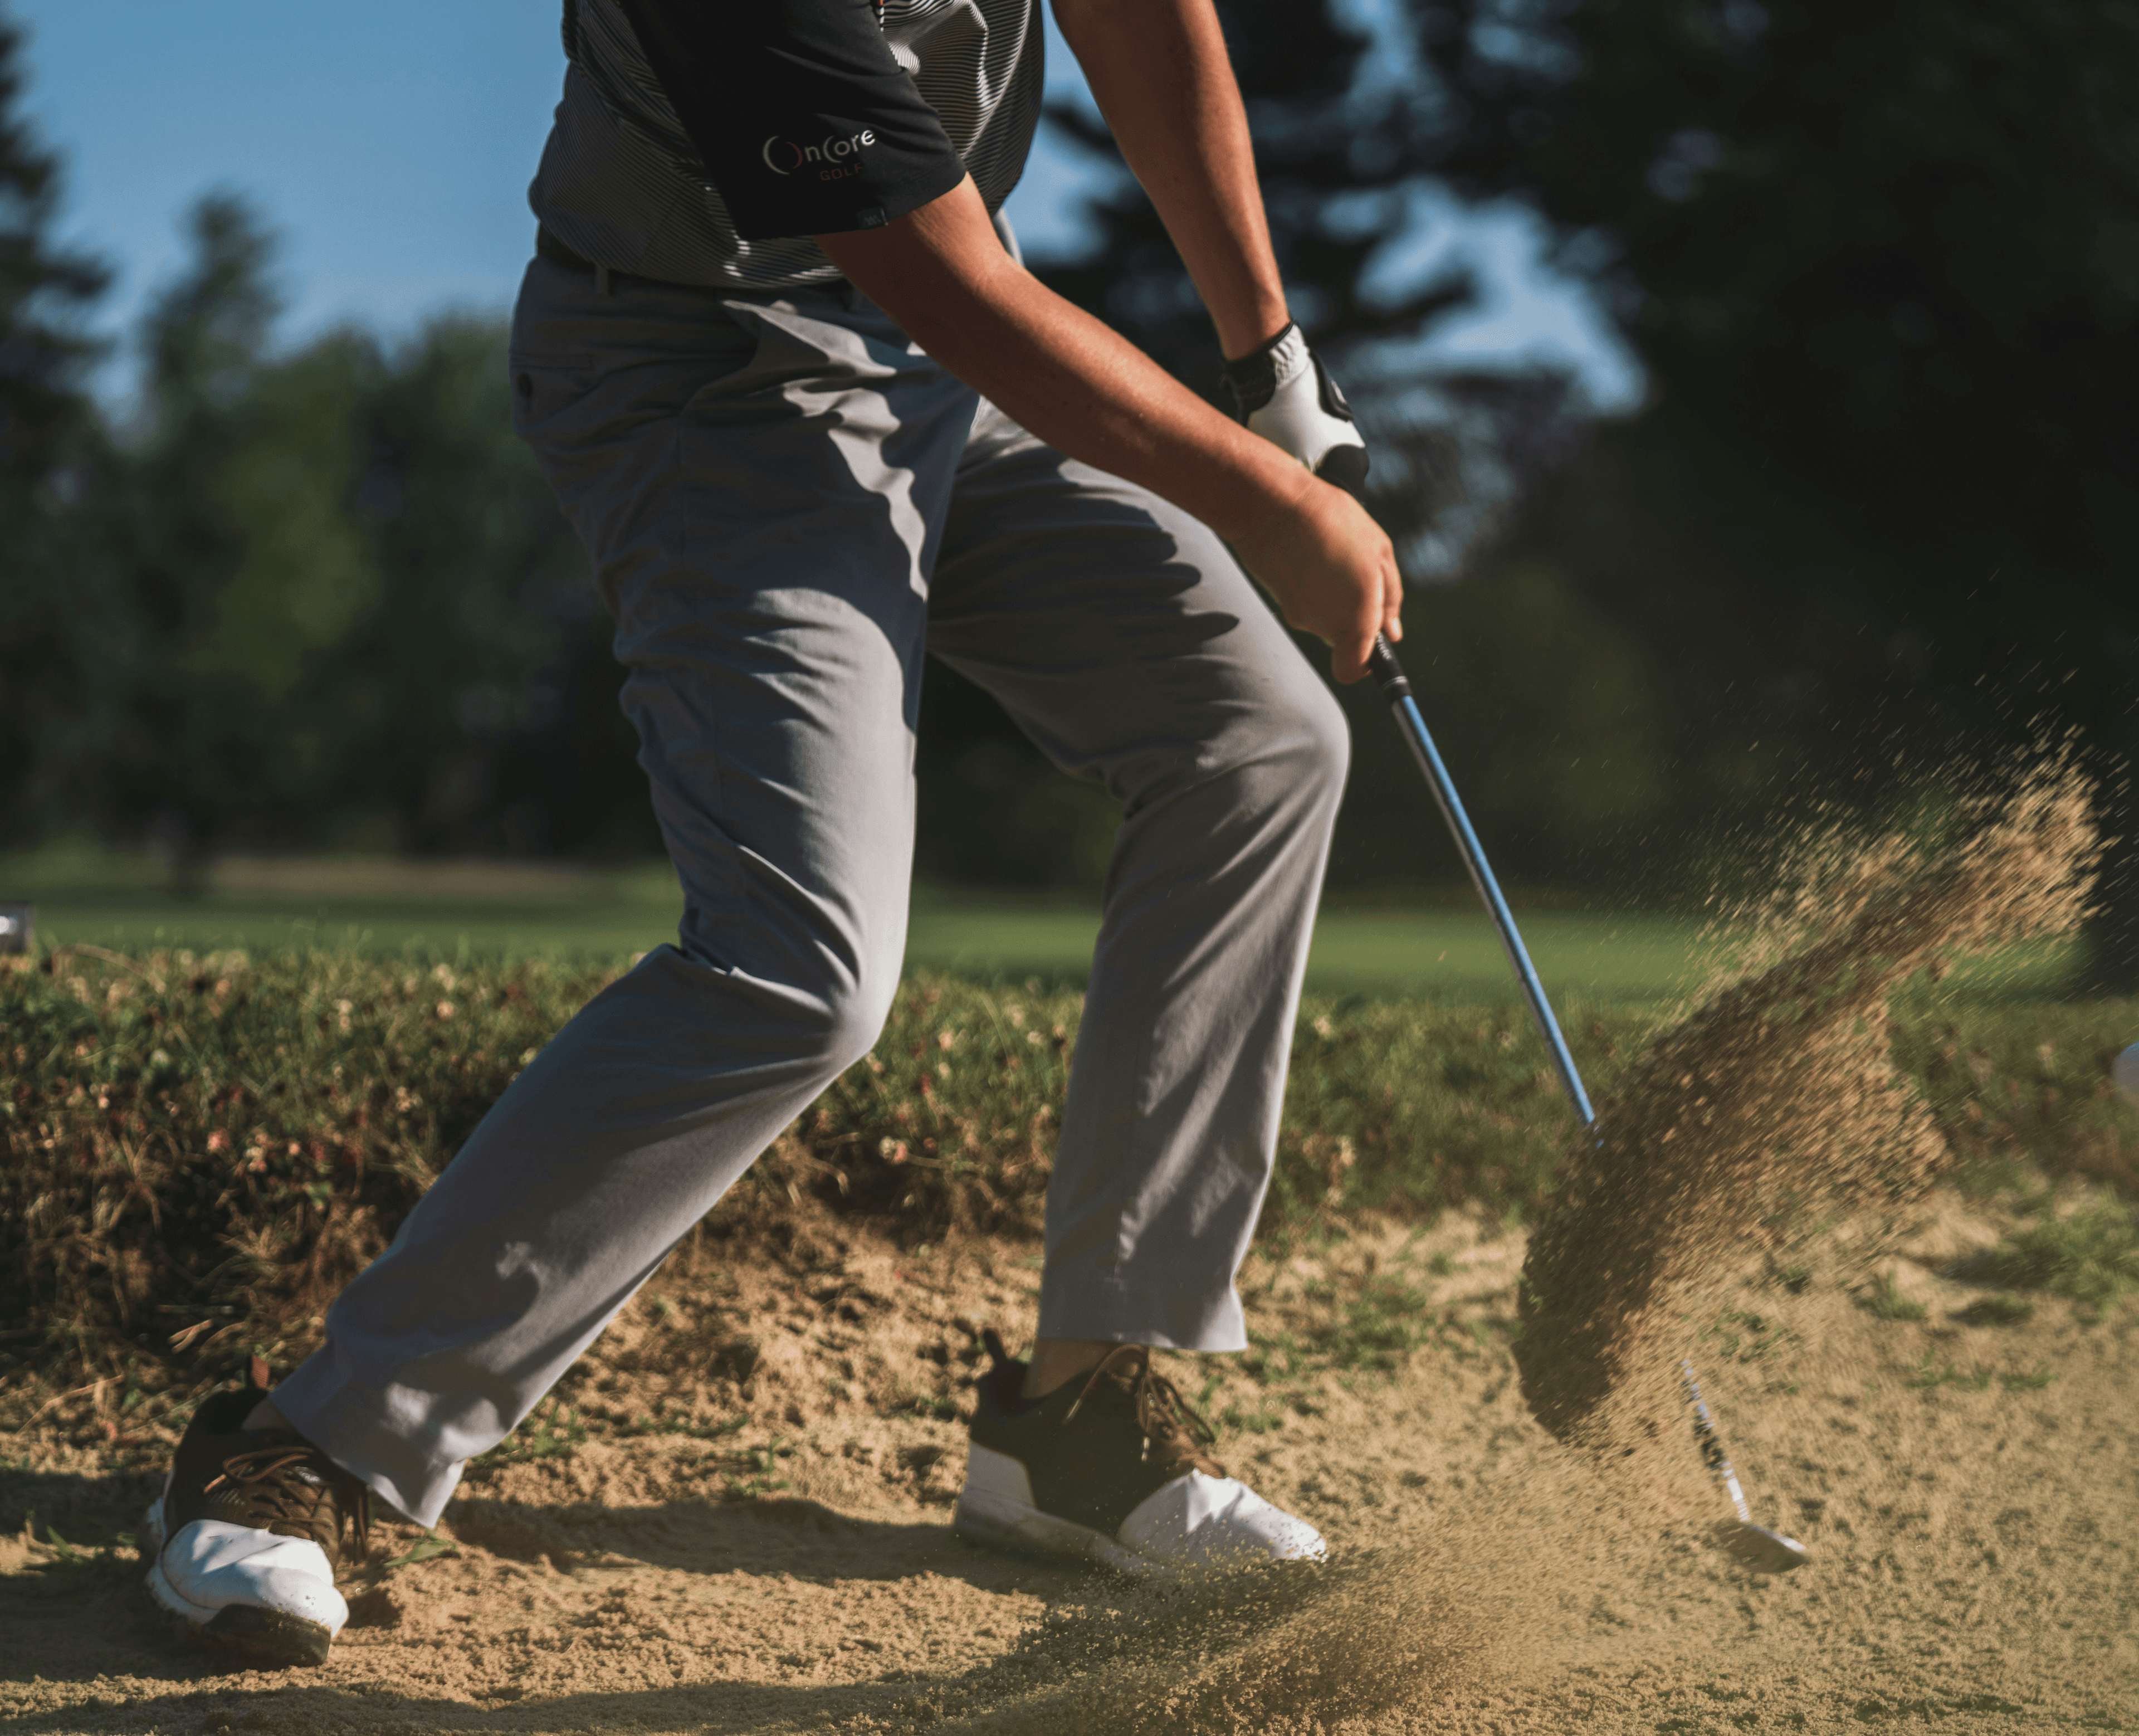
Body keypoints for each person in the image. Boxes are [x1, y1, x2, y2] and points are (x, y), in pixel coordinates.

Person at [140, 0, 1401, 1668]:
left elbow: (1138, 17)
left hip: (939, 365)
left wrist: (1274, 368)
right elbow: (945, 278)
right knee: (800, 965)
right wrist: (1276, 498)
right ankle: (315, 1437)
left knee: (1259, 740)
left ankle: (1078, 1421)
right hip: (711, 377)